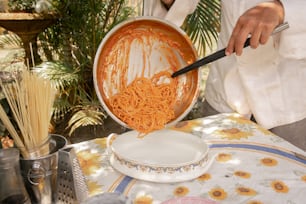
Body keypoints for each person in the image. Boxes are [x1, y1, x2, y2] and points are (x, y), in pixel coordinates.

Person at [145, 0, 306, 151]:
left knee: (291, 176)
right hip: (224, 92)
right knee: (211, 173)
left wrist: (282, 9)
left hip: (288, 100)